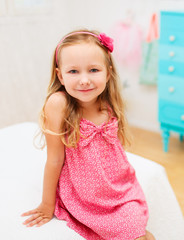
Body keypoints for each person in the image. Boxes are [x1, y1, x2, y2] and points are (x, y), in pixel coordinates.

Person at [21, 30, 155, 240]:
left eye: (93, 70)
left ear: (108, 73)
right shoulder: (59, 104)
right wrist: (47, 205)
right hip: (86, 197)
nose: (84, 80)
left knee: (140, 231)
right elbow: (54, 159)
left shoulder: (107, 100)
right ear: (60, 76)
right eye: (73, 71)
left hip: (119, 188)